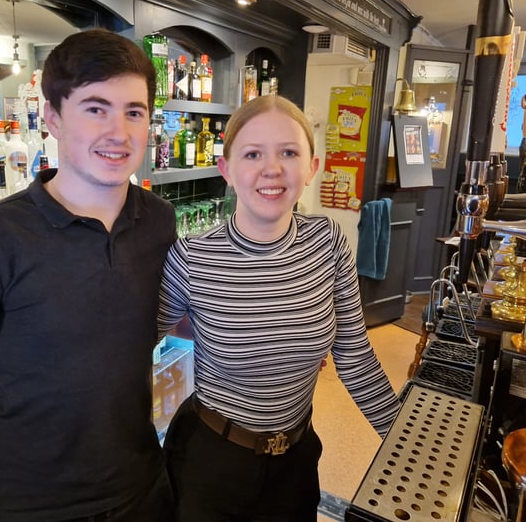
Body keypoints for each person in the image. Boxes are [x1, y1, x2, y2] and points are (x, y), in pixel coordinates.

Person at [0, 28, 177, 522]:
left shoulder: (159, 221)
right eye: (95, 108)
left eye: (134, 112)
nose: (119, 132)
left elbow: (167, 322)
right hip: (31, 506)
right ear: (54, 118)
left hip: (145, 490)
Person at [157, 95, 400, 521]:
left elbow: (355, 355)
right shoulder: (194, 257)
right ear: (227, 170)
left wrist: (403, 445)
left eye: (289, 152)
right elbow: (133, 347)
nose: (272, 168)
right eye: (253, 154)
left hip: (296, 459)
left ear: (312, 167)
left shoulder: (328, 242)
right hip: (212, 462)